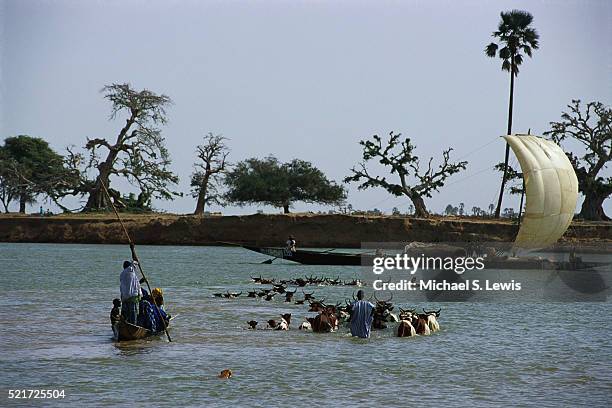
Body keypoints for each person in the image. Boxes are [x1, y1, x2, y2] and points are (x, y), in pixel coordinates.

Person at [119, 260, 143, 324]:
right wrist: (136, 261)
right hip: (133, 295)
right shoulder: (131, 270)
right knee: (133, 312)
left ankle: (125, 323)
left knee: (126, 312)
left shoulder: (122, 274)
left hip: (124, 296)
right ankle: (133, 324)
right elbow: (134, 263)